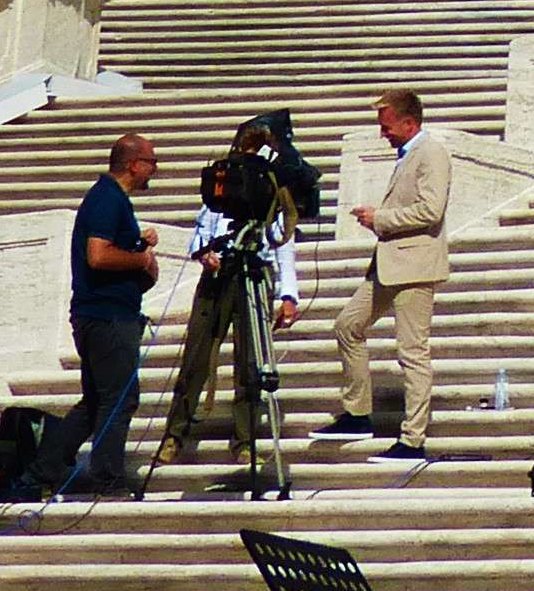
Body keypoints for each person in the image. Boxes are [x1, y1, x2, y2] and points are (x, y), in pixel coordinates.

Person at [155, 118, 303, 481]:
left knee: (251, 362)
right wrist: (203, 252)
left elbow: (284, 242)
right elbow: (198, 232)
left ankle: (245, 438)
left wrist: (288, 294)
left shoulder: (269, 187)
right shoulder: (223, 183)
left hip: (255, 271)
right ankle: (175, 433)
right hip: (217, 275)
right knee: (196, 357)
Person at [322, 87, 455, 459]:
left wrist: (380, 219)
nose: (384, 133)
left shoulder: (432, 153)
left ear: (410, 122)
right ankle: (357, 413)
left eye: (388, 126)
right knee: (348, 325)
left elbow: (431, 211)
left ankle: (413, 438)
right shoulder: (410, 154)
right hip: (389, 263)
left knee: (412, 352)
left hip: (414, 266)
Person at [63, 131, 163, 496]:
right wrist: (142, 259)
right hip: (107, 319)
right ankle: (107, 478)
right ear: (134, 164)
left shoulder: (112, 199)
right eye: (152, 162)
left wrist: (139, 249)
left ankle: (46, 466)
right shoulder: (107, 198)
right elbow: (99, 256)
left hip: (103, 313)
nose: (154, 170)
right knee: (119, 398)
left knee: (95, 400)